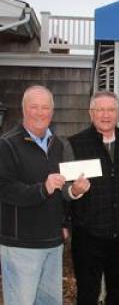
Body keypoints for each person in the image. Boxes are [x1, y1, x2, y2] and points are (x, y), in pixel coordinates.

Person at [0, 85, 89, 305]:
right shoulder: (7, 145)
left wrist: (75, 191)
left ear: (52, 111)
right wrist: (43, 188)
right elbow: (5, 189)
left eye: (45, 108)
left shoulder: (58, 144)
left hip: (52, 243)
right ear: (23, 110)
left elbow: (62, 190)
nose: (40, 113)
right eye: (34, 107)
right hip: (21, 245)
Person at [67, 91, 119, 305]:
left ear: (117, 113)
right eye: (100, 109)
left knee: (117, 293)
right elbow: (65, 188)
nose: (105, 114)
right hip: (88, 234)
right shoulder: (75, 143)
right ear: (91, 113)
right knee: (87, 294)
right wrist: (73, 195)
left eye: (111, 109)